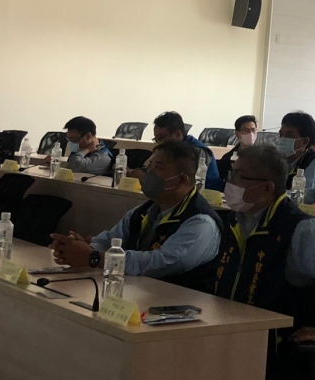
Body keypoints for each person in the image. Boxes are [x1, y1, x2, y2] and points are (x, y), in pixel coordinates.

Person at [196, 144, 315, 341]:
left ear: (267, 187)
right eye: (232, 174)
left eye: (239, 177)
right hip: (228, 328)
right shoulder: (235, 220)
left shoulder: (299, 229)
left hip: (272, 342)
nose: (230, 183)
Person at [49, 140, 221, 274]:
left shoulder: (201, 222)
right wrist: (84, 247)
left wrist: (94, 257)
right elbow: (111, 239)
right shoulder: (144, 210)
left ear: (181, 180)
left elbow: (160, 263)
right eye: (150, 166)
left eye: (158, 168)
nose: (149, 173)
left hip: (179, 302)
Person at [148, 111, 221, 191]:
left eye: (161, 138)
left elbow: (194, 183)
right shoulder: (170, 150)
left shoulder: (197, 150)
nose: (159, 143)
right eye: (156, 139)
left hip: (207, 194)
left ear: (177, 134)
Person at [277, 110, 315, 190]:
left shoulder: (313, 162)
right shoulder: (276, 158)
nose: (282, 139)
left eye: (289, 135)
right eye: (281, 134)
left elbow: (307, 195)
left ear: (305, 141)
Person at [215, 114, 257, 179]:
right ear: (237, 134)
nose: (251, 134)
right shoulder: (227, 158)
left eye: (253, 130)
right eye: (246, 130)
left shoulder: (264, 156)